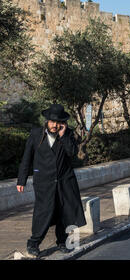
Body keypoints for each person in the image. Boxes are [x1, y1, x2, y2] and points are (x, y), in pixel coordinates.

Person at [17, 104, 86, 258]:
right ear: (47, 121)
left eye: (58, 122)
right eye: (52, 122)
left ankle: (62, 241)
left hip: (64, 181)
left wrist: (63, 135)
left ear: (63, 123)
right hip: (43, 182)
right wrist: (21, 180)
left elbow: (72, 153)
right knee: (43, 212)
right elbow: (26, 158)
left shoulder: (67, 134)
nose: (55, 125)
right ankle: (33, 243)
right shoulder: (36, 134)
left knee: (64, 212)